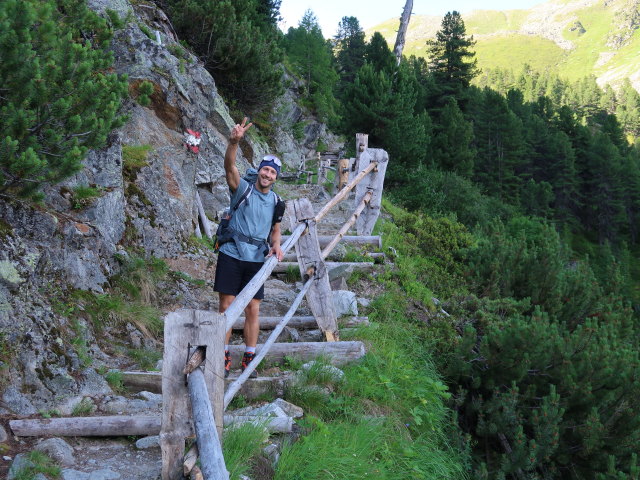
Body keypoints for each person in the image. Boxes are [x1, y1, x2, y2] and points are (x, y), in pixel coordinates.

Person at [214, 117, 285, 378]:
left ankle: (249, 356)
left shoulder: (277, 202)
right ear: (260, 170)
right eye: (265, 170)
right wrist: (233, 142)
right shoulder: (242, 188)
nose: (267, 175)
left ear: (276, 178)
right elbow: (229, 166)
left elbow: (275, 231)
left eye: (272, 173)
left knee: (253, 309)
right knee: (226, 306)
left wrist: (276, 247)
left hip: (256, 258)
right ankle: (221, 353)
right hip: (231, 252)